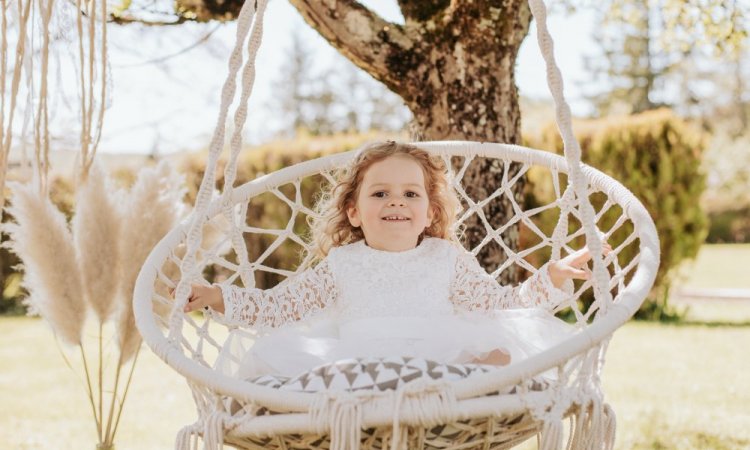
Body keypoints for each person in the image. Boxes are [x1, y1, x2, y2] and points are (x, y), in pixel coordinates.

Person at [184, 141, 609, 380]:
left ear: (429, 213)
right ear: (354, 211)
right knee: (299, 373)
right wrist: (215, 295)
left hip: (441, 355)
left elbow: (499, 304)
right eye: (380, 193)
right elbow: (276, 308)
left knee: (497, 355)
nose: (396, 202)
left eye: (411, 194)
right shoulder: (342, 263)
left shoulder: (444, 257)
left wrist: (550, 277)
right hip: (360, 361)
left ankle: (461, 376)